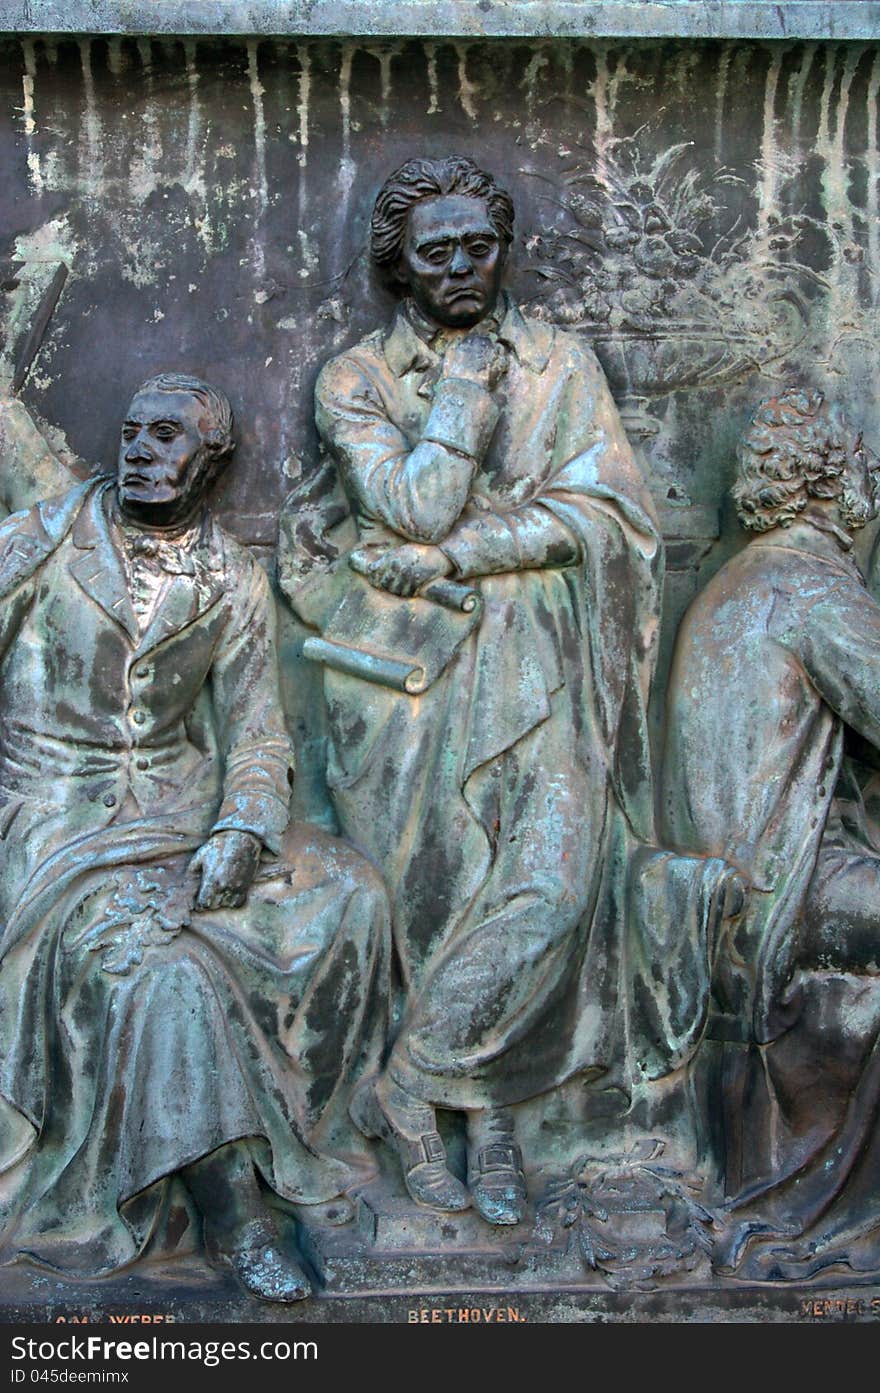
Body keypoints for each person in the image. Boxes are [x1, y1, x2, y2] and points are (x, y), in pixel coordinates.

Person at [280, 156, 666, 1225]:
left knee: (552, 882)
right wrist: (457, 398)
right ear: (398, 266)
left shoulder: (558, 362)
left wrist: (468, 552)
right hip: (402, 686)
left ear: (503, 248)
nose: (461, 268)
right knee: (433, 899)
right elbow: (412, 503)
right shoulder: (355, 378)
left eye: (478, 246)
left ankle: (415, 1084)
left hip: (541, 660)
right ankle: (476, 1111)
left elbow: (609, 516)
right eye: (435, 251)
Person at [0, 373, 390, 1302]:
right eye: (131, 431)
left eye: (166, 435)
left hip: (178, 815)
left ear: (208, 459)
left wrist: (241, 830)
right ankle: (234, 1209)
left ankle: (366, 1130)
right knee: (161, 970)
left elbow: (257, 732)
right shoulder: (41, 542)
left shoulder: (230, 578)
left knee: (354, 898)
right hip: (54, 819)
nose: (139, 448)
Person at [662, 386, 880, 1278]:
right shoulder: (811, 583)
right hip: (786, 897)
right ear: (838, 479)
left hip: (738, 897)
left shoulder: (739, 579)